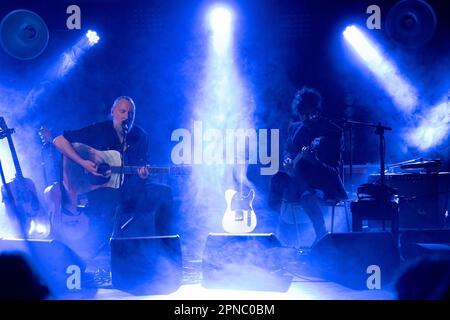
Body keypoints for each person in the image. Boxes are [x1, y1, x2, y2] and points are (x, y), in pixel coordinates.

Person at [52, 96, 175, 256]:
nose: (126, 117)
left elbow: (144, 166)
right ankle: (111, 251)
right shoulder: (99, 130)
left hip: (133, 191)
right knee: (113, 202)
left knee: (165, 192)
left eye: (131, 113)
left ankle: (166, 247)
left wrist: (143, 174)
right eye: (122, 112)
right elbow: (59, 141)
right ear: (113, 112)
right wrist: (83, 163)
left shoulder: (140, 136)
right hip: (102, 190)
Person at [270, 86, 347, 245]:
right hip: (299, 183)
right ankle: (273, 230)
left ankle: (322, 235)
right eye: (301, 114)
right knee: (277, 178)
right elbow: (288, 150)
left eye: (308, 113)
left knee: (308, 196)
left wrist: (315, 161)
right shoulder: (295, 127)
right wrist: (288, 161)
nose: (305, 118)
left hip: (324, 185)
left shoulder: (333, 132)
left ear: (317, 111)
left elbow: (333, 172)